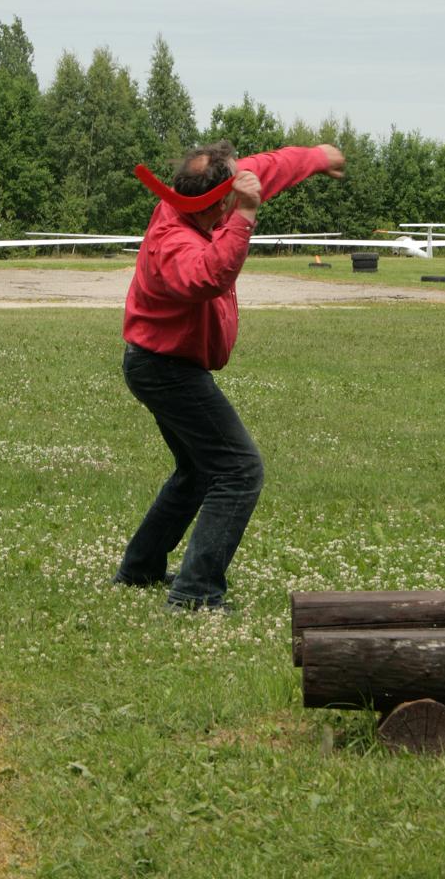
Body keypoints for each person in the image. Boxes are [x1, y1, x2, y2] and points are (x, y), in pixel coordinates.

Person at [114, 139, 346, 611]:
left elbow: (270, 167)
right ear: (217, 200)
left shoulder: (206, 197)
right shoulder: (172, 239)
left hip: (160, 363)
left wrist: (318, 158)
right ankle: (196, 593)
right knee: (239, 470)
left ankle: (140, 569)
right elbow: (206, 276)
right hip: (165, 369)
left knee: (198, 471)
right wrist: (244, 216)